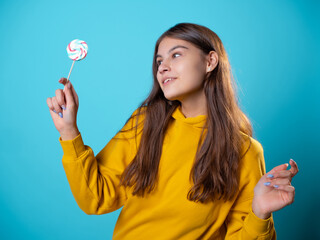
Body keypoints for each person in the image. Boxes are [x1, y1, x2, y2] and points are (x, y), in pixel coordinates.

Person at [47, 23, 298, 239]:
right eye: (159, 61)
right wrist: (69, 131)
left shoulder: (245, 151)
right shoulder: (145, 123)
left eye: (176, 55)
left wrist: (260, 212)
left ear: (210, 61)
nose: (162, 67)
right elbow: (96, 197)